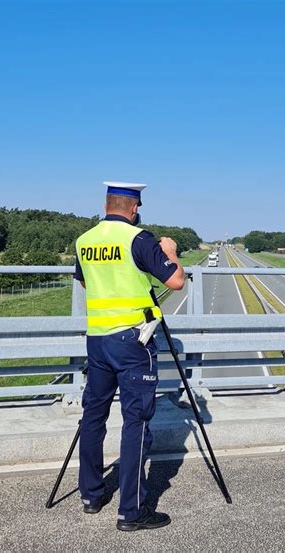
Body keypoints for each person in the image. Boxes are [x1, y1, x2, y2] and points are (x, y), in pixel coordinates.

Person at [74, 181, 185, 532]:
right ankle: (131, 512)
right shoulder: (139, 239)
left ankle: (91, 495)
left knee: (93, 416)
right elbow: (176, 281)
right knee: (135, 421)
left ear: (107, 203)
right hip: (133, 342)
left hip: (97, 340)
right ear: (134, 208)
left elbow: (87, 283)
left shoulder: (85, 240)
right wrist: (170, 250)